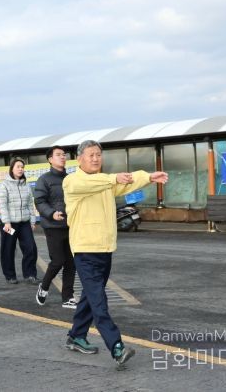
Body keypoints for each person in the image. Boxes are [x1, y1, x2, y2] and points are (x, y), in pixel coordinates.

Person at [63, 140, 168, 368]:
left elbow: (127, 181)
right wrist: (113, 179)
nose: (95, 159)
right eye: (91, 155)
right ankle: (117, 347)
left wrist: (148, 177)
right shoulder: (72, 181)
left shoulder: (105, 181)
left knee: (90, 296)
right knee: (99, 300)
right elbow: (94, 183)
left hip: (105, 249)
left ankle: (76, 336)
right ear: (79, 159)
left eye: (98, 155)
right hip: (85, 250)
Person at [34, 146, 77, 309]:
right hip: (52, 226)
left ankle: (68, 297)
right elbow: (39, 201)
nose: (62, 157)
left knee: (71, 263)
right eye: (58, 155)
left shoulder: (70, 179)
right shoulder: (44, 179)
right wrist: (52, 214)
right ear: (50, 159)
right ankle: (44, 286)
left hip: (70, 225)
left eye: (64, 155)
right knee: (58, 261)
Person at [0, 157, 38, 284]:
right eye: (18, 167)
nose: (20, 169)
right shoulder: (4, 185)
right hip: (10, 224)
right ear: (12, 169)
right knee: (8, 249)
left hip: (24, 223)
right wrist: (6, 222)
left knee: (31, 248)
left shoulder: (26, 185)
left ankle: (30, 274)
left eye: (22, 167)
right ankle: (10, 276)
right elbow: (2, 205)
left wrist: (32, 221)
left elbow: (30, 204)